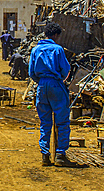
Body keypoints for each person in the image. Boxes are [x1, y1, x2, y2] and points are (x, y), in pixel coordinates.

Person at [29, 22, 74, 167]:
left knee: (45, 122)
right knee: (62, 121)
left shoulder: (36, 50)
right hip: (56, 84)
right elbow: (65, 69)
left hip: (42, 86)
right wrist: (58, 78)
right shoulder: (58, 49)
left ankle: (45, 155)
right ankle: (60, 154)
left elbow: (31, 72)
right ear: (55, 35)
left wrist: (42, 80)